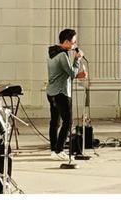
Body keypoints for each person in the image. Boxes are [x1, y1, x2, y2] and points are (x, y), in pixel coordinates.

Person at [47, 28, 87, 161]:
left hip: (51, 91)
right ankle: (59, 150)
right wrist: (78, 59)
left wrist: (77, 74)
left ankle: (53, 150)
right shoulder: (62, 55)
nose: (74, 46)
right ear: (65, 41)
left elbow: (62, 73)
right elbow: (72, 73)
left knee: (55, 122)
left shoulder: (51, 52)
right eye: (73, 43)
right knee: (68, 122)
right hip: (61, 92)